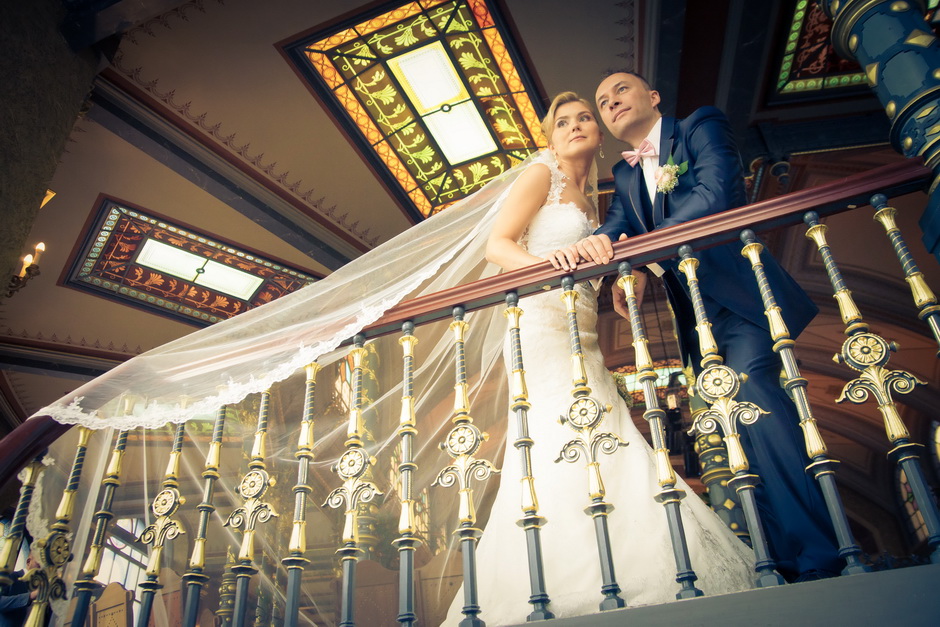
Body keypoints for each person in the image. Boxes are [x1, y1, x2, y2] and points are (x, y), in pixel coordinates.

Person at [441, 92, 755, 626]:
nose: (575, 125)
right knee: (558, 434)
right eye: (562, 122)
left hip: (581, 328)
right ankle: (563, 579)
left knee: (606, 428)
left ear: (600, 130)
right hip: (541, 328)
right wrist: (552, 267)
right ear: (549, 138)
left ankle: (630, 564)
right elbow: (498, 246)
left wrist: (612, 277)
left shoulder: (599, 197)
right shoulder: (543, 176)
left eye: (585, 117)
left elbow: (598, 251)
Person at [573, 71, 842, 582]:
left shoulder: (699, 127)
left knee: (754, 399)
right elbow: (614, 228)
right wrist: (600, 254)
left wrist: (647, 255)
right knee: (730, 425)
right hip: (694, 320)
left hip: (741, 298)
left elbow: (716, 192)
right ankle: (776, 560)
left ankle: (822, 556)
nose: (610, 104)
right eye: (602, 102)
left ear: (652, 97)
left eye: (620, 92)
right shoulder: (626, 175)